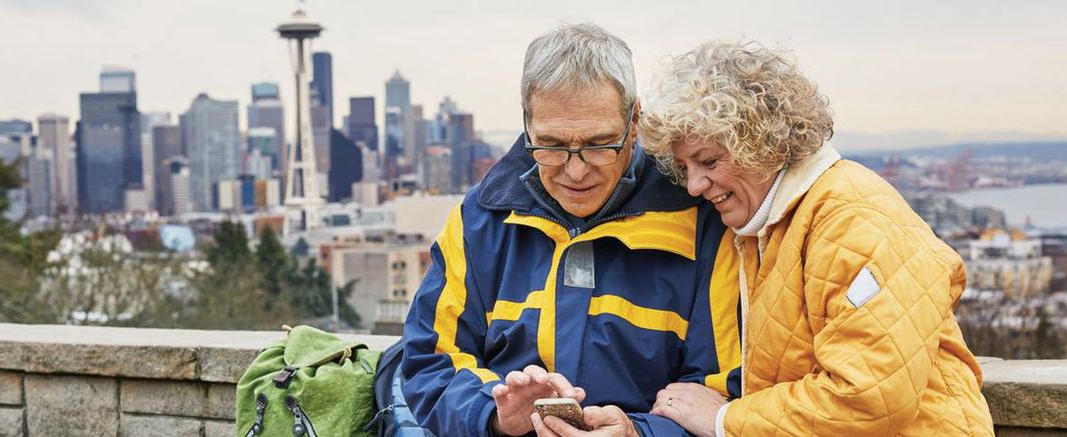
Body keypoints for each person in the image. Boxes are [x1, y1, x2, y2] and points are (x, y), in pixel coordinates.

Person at [400, 24, 743, 437]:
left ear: (634, 121)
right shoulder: (478, 221)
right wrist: (496, 414)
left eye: (599, 145)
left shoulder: (703, 221)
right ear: (527, 123)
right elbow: (429, 364)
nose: (576, 171)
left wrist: (640, 433)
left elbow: (728, 390)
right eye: (552, 145)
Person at [640, 41, 995, 436]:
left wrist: (724, 420)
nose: (693, 185)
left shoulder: (852, 220)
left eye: (709, 161)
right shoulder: (776, 224)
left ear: (763, 143)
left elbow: (867, 395)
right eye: (684, 166)